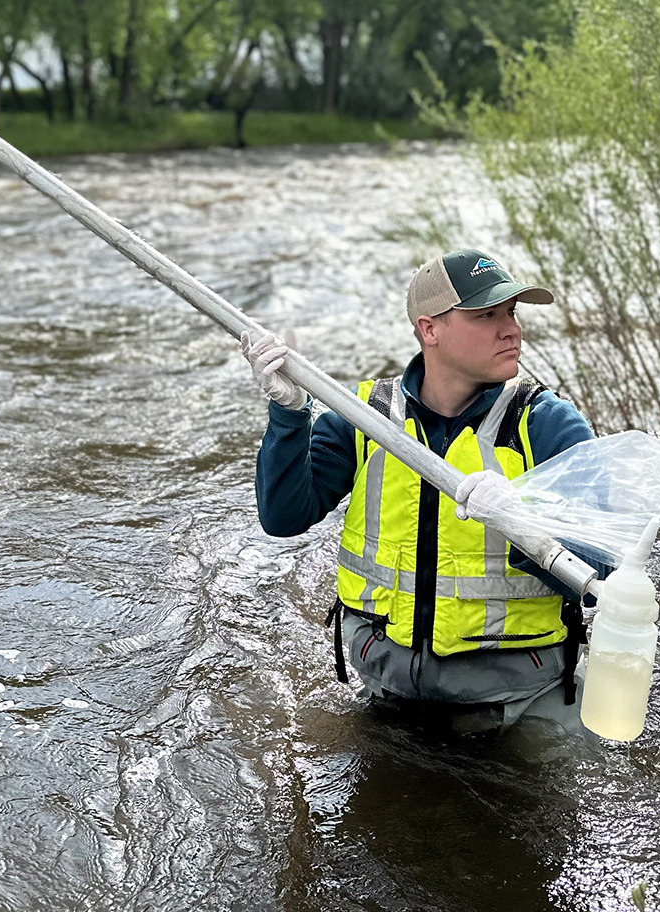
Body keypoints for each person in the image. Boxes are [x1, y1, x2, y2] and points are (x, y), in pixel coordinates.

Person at [242, 249, 604, 734]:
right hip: (385, 687)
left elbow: (602, 568)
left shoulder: (545, 424)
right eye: (486, 315)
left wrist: (524, 520)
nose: (512, 329)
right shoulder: (366, 416)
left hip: (519, 701)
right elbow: (283, 518)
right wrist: (289, 417)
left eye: (512, 312)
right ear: (430, 329)